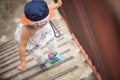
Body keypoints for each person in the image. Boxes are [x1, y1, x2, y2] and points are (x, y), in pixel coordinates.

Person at [14, 0, 63, 71]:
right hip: (30, 41)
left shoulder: (43, 12)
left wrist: (58, 5)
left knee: (53, 42)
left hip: (43, 33)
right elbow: (22, 46)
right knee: (38, 54)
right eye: (38, 24)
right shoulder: (27, 30)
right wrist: (22, 61)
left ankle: (53, 57)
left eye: (45, 21)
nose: (42, 25)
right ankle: (43, 62)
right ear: (30, 22)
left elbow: (50, 7)